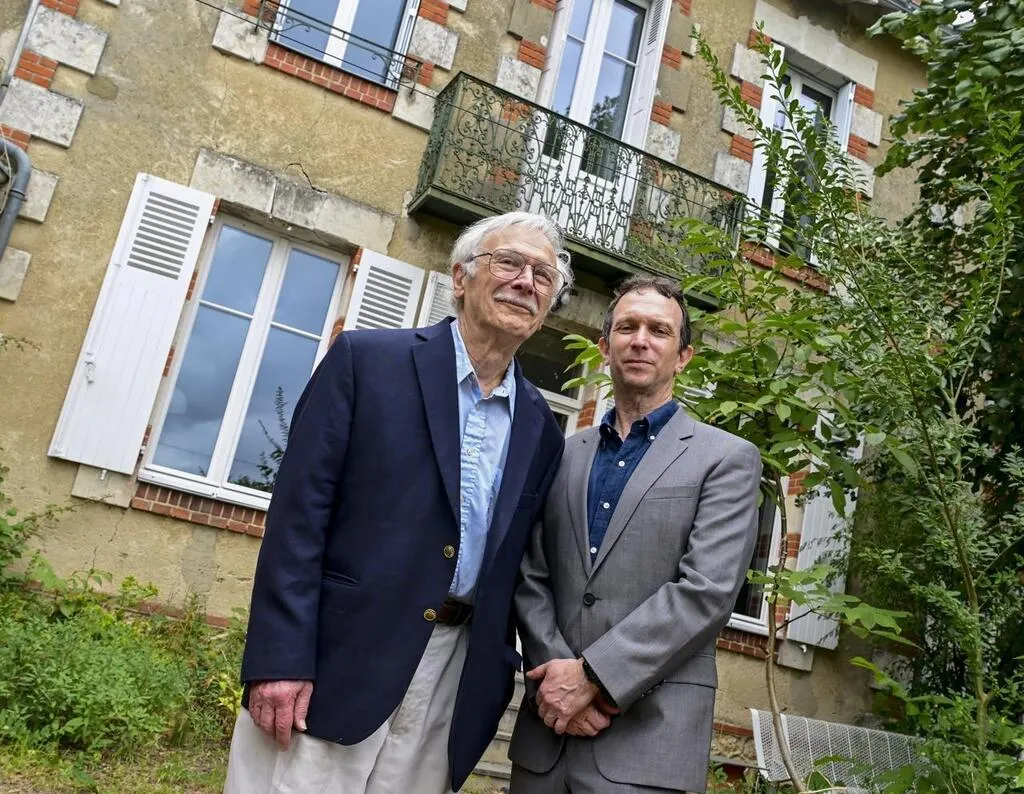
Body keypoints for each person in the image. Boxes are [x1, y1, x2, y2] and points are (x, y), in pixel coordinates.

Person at [224, 211, 572, 794]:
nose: (525, 282)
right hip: (337, 659)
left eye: (543, 275)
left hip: (451, 675)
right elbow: (298, 517)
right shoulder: (366, 362)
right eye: (509, 262)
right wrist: (280, 658)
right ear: (460, 277)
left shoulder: (541, 425)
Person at [510, 276, 763, 793]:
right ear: (605, 347)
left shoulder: (726, 459)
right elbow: (530, 573)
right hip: (547, 734)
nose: (640, 340)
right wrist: (555, 677)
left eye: (658, 330)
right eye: (627, 327)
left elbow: (706, 591)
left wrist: (592, 677)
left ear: (683, 356)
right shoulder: (562, 452)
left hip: (650, 743)